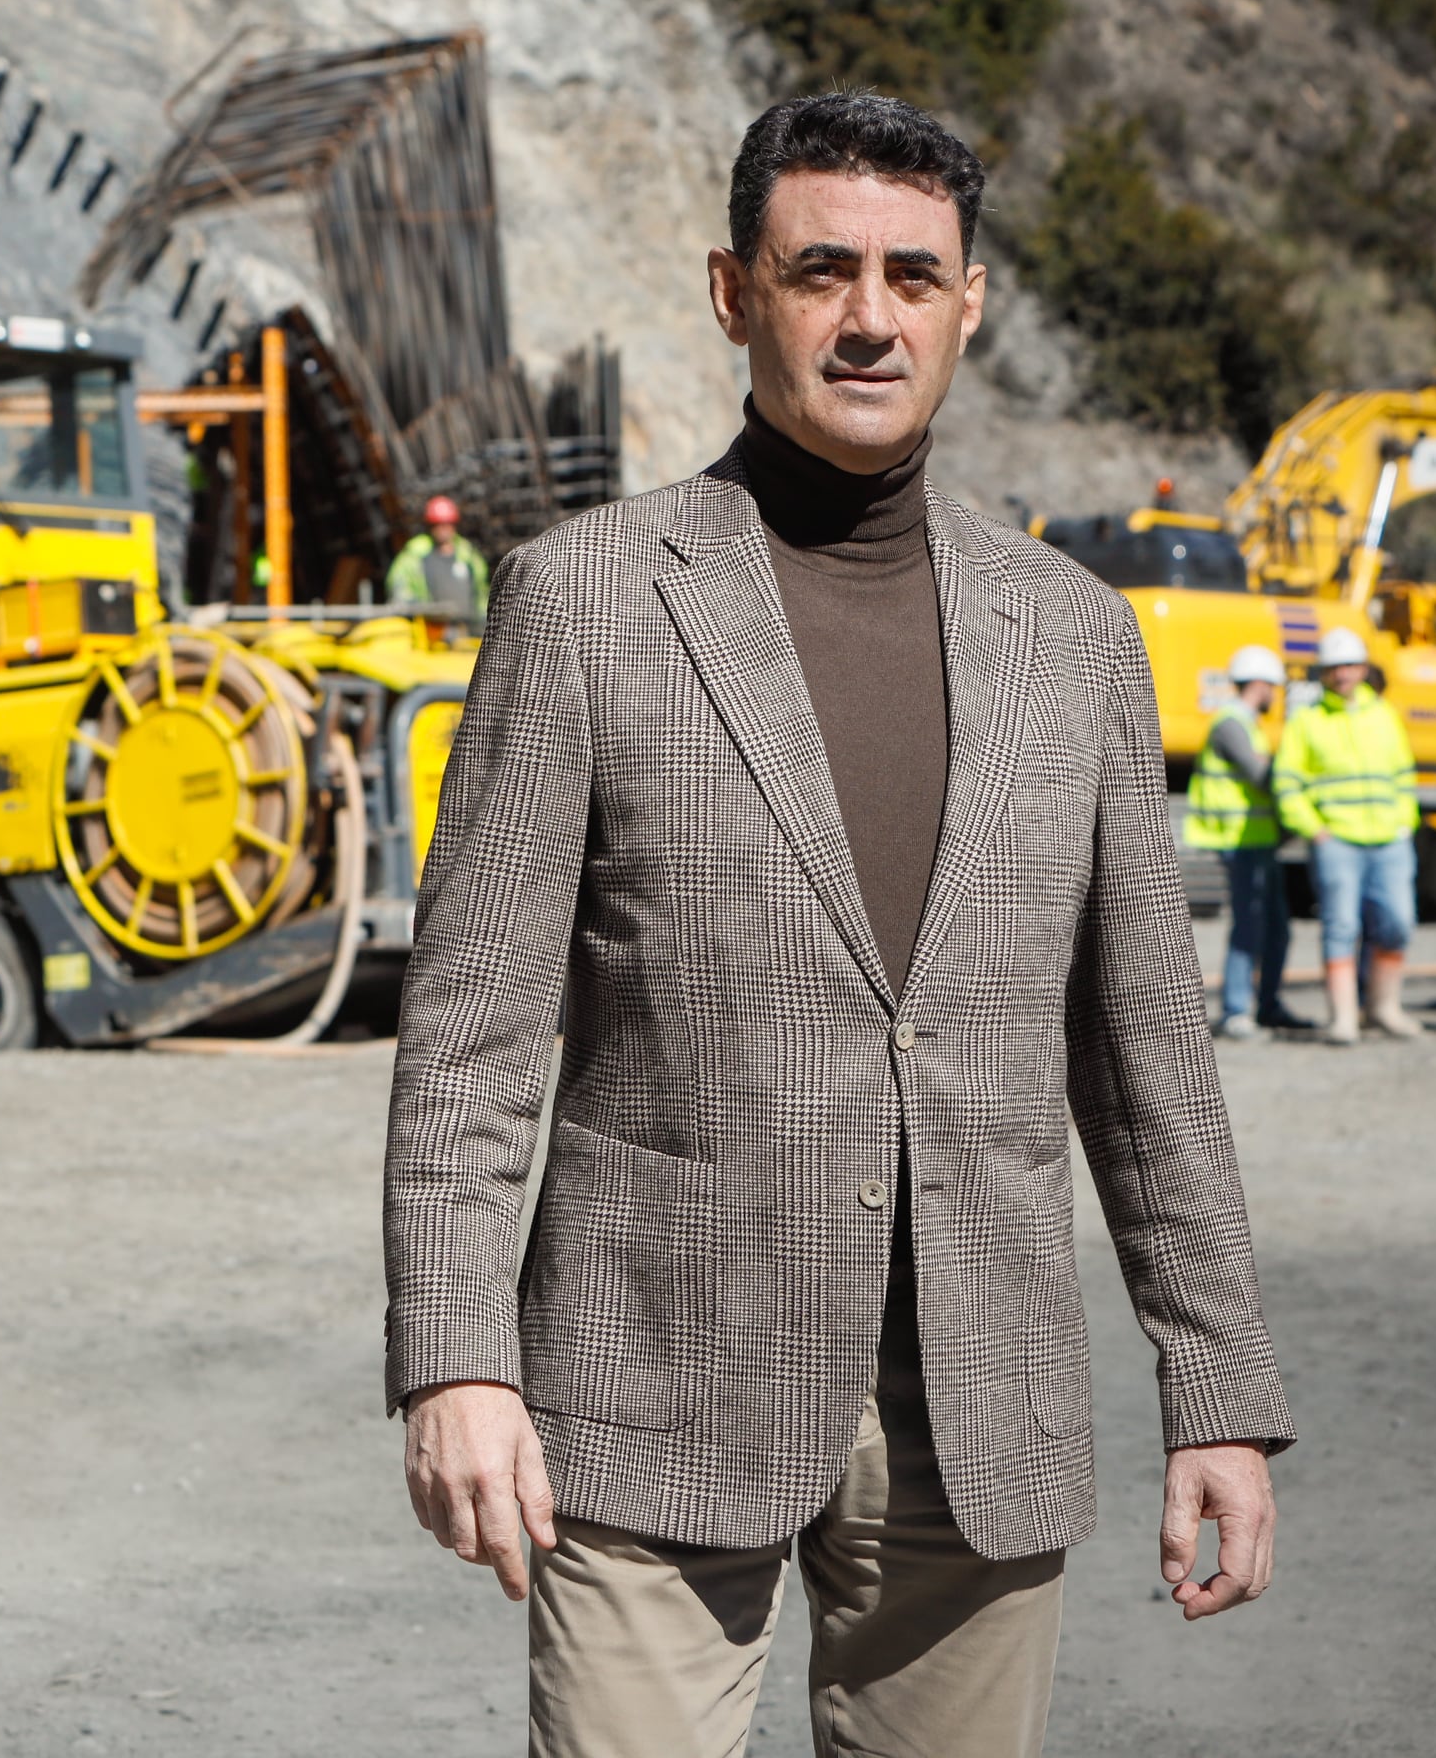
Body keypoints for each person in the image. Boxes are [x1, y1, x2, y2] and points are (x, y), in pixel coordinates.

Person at [386, 90, 1290, 1758]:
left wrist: (1215, 1387)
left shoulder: (1076, 638)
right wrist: (456, 1362)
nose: (871, 317)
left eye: (912, 276)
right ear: (736, 295)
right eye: (822, 272)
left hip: (982, 1407)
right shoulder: (583, 600)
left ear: (970, 303)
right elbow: (470, 1035)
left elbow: (1146, 1046)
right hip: (651, 1385)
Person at [1273, 626, 1423, 1044]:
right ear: (1324, 674)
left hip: (1389, 841)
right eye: (1334, 668)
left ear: (1362, 669)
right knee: (1341, 925)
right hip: (1337, 841)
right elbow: (1288, 783)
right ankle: (1343, 1018)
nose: (1342, 675)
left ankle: (1383, 1008)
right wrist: (1314, 831)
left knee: (1398, 923)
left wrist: (1402, 822)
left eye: (1349, 666)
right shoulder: (1307, 722)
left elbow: (1402, 775)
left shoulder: (1384, 715)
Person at [1184, 644, 1306, 1041]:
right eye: (1273, 685)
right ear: (1259, 683)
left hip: (1260, 841)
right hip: (1239, 842)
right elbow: (1260, 774)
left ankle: (1268, 1005)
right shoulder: (1231, 723)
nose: (1275, 693)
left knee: (1276, 929)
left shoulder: (1246, 722)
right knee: (1249, 927)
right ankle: (1237, 1011)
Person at [387, 494, 488, 612]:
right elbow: (399, 587)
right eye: (437, 525)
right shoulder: (415, 555)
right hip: (429, 627)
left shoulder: (468, 556)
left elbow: (481, 593)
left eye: (446, 524)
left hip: (467, 627)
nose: (442, 529)